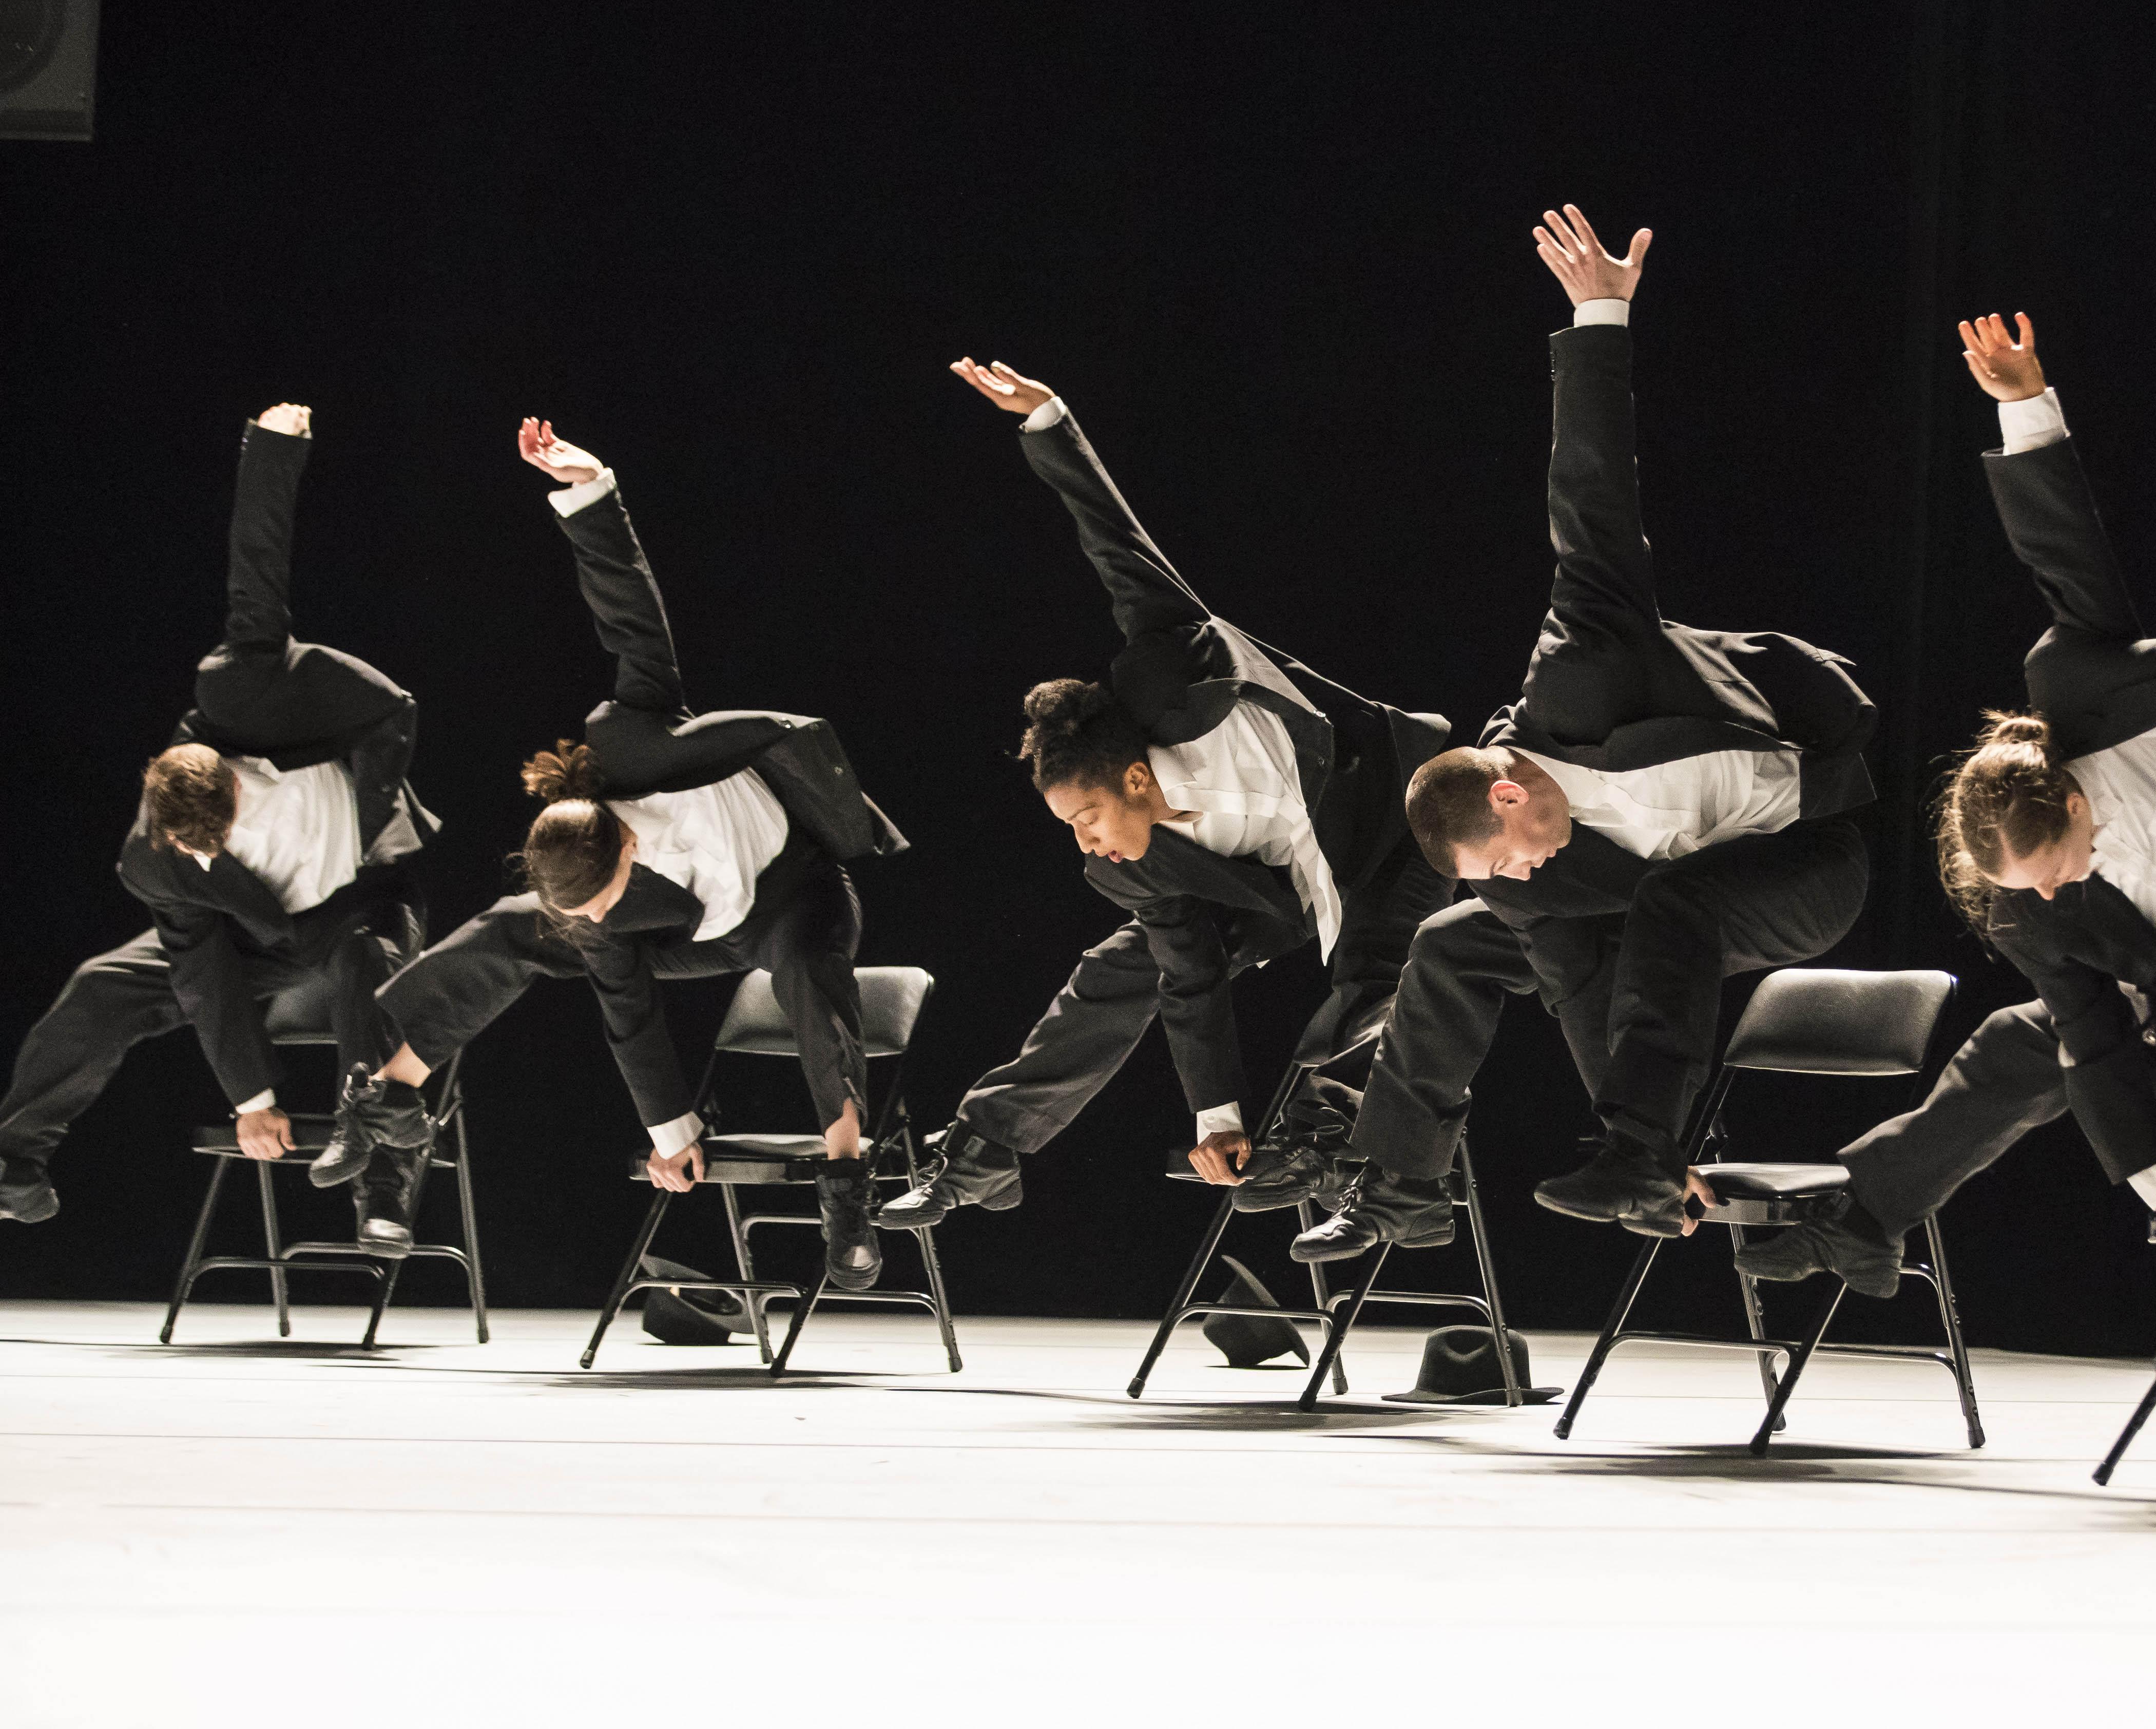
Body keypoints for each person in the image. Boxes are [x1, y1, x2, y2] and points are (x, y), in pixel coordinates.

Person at [1729, 314, 2156, 1371]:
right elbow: (2090, 1033)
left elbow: (2067, 556)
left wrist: (2022, 404)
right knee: (2020, 1040)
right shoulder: (2023, 898)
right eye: (2033, 889)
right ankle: (1865, 1212)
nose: (2058, 892)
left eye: (2063, 868)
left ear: (2076, 806)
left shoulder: (2105, 703)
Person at [1292, 205, 1876, 1260]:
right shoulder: (1533, 868)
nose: (1522, 868)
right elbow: (1571, 978)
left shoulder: (1580, 673)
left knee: (1669, 901)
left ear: (1511, 792)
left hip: (1808, 858)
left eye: (1510, 849)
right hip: (1676, 897)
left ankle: (1645, 1147)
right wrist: (1638, 1132)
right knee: (1455, 942)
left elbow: (1593, 505)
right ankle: (1404, 1186)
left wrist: (1599, 317)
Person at [873, 360, 1451, 1232]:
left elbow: (1119, 547)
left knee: (1377, 969)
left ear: (1135, 777)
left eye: (1087, 817)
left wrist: (1049, 424)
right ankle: (983, 1154)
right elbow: (1192, 978)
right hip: (1271, 887)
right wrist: (1216, 1116)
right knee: (1120, 968)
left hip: (1393, 826)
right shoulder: (1131, 867)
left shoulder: (1173, 671)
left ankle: (1336, 1137)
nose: (1086, 844)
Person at [365, 421, 905, 1289]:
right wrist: (673, 1131)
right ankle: (392, 1095)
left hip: (790, 894)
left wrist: (589, 491)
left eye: (599, 902)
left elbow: (630, 618)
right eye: (585, 914)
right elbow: (629, 1014)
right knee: (516, 928)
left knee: (808, 969)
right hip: (692, 932)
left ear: (622, 844)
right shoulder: (596, 908)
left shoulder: (635, 742)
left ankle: (848, 1174)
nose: (593, 921)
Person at [0, 405, 439, 1253]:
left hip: (357, 906)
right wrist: (254, 1098)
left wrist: (272, 451)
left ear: (236, 793)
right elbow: (200, 967)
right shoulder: (157, 858)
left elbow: (256, 579)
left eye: (214, 839)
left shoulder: (252, 696)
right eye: (190, 849)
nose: (204, 855)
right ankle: (13, 1160)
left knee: (366, 968)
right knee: (103, 983)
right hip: (260, 935)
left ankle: (382, 1179)